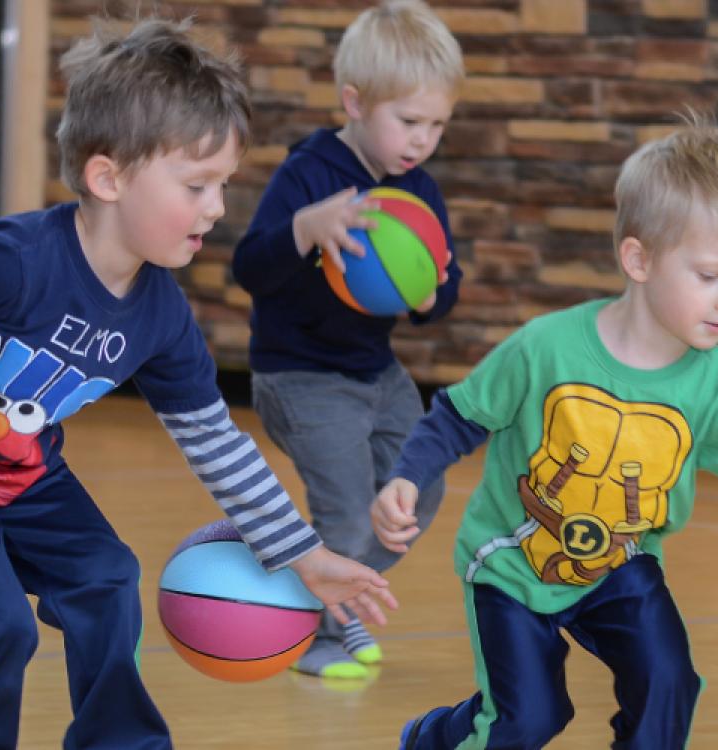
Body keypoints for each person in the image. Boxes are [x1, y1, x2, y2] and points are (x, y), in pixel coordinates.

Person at [370, 115, 718, 750]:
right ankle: (433, 737)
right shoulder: (545, 349)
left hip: (621, 563)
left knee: (669, 684)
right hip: (512, 564)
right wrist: (405, 477)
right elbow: (457, 416)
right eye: (710, 276)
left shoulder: (716, 385)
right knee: (529, 719)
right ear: (638, 259)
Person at [0, 18, 397, 750]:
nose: (217, 207)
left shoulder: (160, 315)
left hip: (24, 473)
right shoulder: (16, 265)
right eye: (196, 185)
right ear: (108, 178)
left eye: (222, 184)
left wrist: (304, 554)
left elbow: (215, 443)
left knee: (106, 578)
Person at [231, 0, 464, 679]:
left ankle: (325, 590)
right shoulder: (309, 174)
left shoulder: (418, 191)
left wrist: (431, 294)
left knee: (415, 491)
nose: (422, 140)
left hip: (376, 371)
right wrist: (306, 229)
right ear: (355, 102)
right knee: (346, 511)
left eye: (438, 124)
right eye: (409, 121)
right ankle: (325, 638)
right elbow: (250, 267)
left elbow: (441, 289)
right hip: (301, 375)